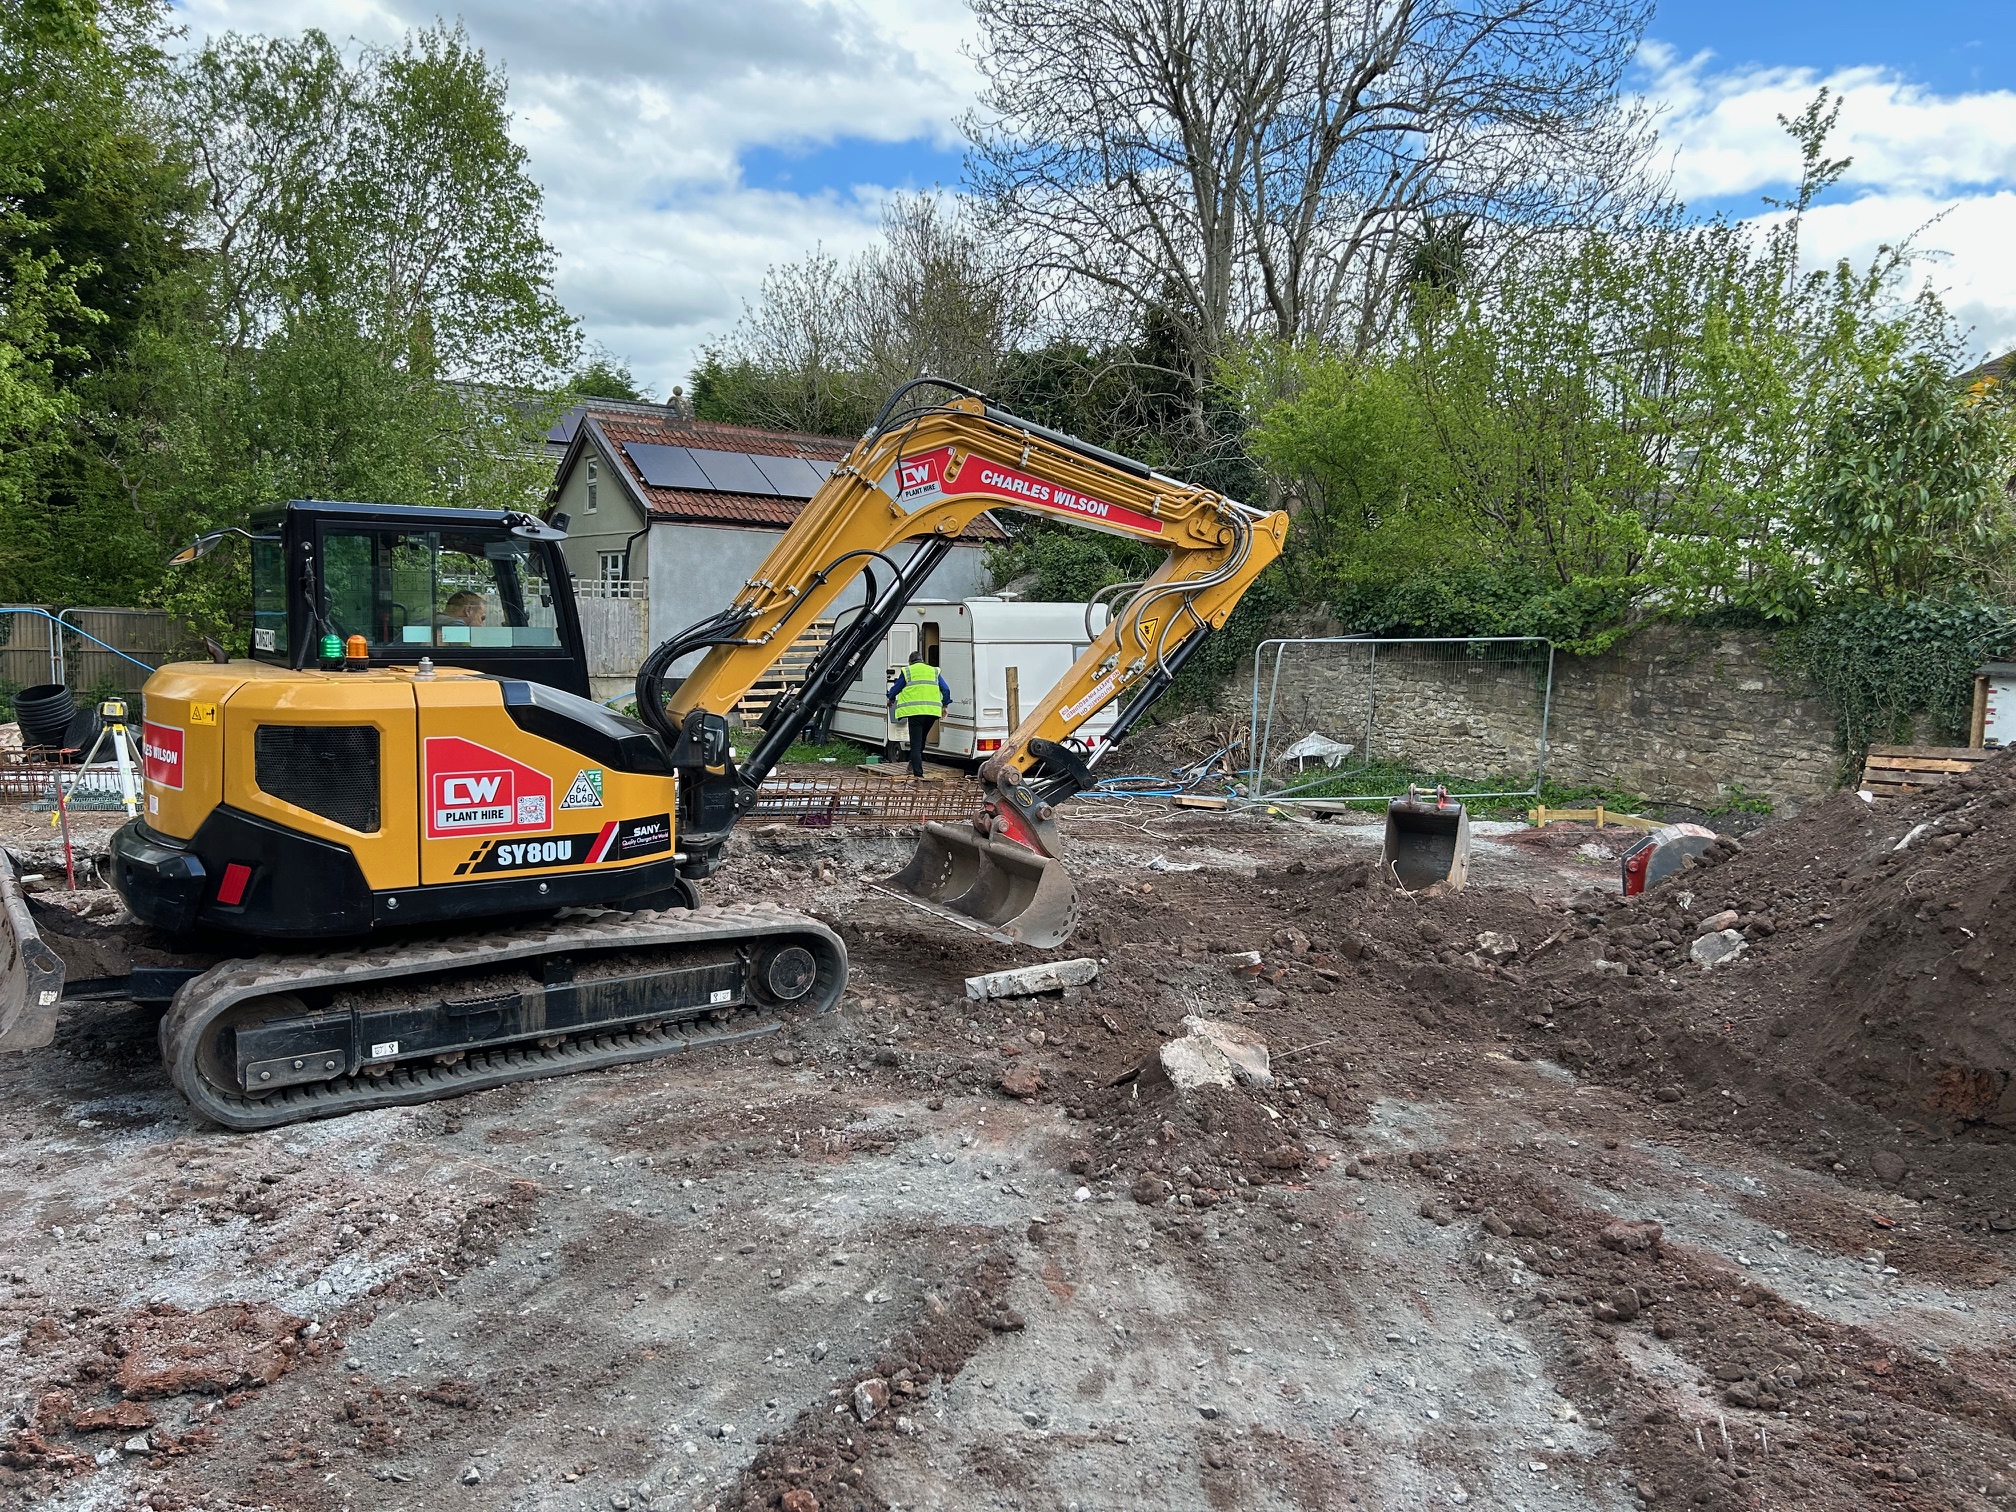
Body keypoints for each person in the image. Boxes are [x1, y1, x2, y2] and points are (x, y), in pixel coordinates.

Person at [887, 654, 952, 777]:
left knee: (915, 744)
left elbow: (896, 688)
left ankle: (918, 775)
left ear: (910, 662)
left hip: (915, 712)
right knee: (921, 739)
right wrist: (945, 705)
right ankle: (913, 764)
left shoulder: (908, 671)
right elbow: (946, 689)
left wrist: (890, 698)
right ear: (922, 660)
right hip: (932, 713)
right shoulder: (934, 670)